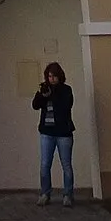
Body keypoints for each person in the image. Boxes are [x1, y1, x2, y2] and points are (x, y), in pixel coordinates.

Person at [33, 61, 76, 206]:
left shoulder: (66, 90)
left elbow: (66, 106)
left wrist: (53, 94)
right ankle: (45, 193)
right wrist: (43, 95)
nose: (52, 79)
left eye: (54, 76)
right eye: (49, 76)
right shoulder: (44, 89)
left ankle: (68, 195)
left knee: (66, 165)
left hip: (63, 132)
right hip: (47, 132)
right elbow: (35, 105)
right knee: (45, 164)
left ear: (60, 77)